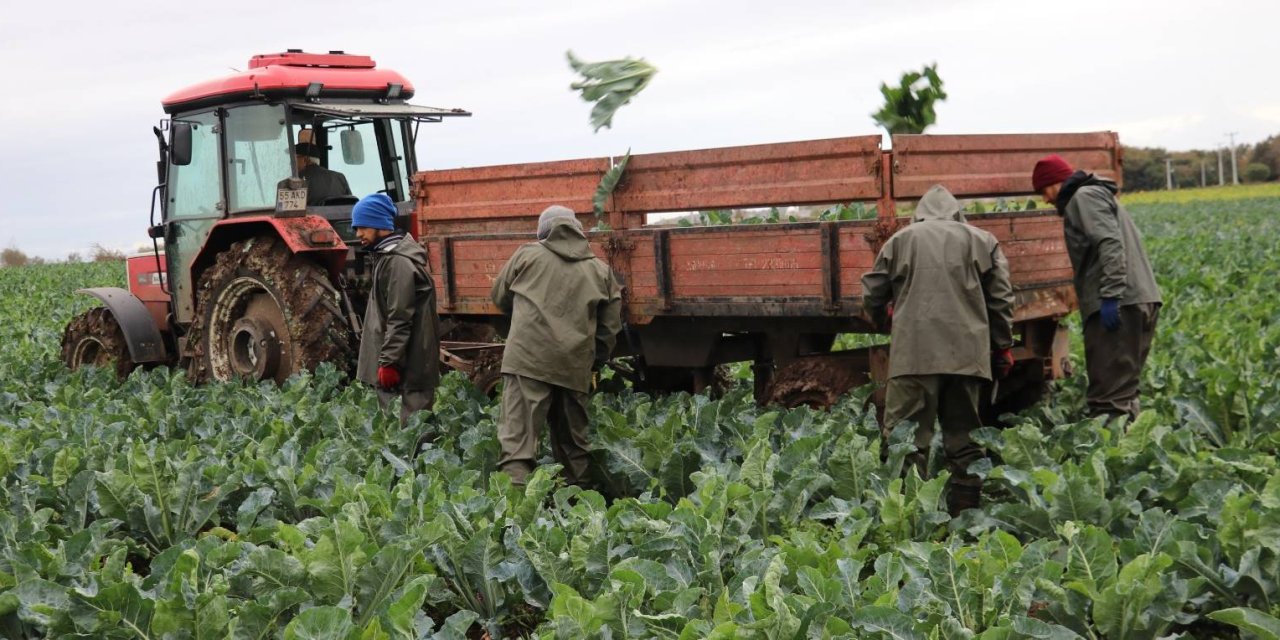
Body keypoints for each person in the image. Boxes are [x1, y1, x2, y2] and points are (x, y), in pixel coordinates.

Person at [861, 184, 1014, 515]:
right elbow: (1001, 300)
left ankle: (913, 520)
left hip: (913, 356)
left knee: (907, 441)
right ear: (958, 214)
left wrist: (883, 319)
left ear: (919, 215)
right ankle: (966, 514)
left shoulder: (900, 241)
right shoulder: (983, 241)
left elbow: (872, 293)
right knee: (965, 440)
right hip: (968, 357)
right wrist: (1002, 347)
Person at [490, 205, 623, 488]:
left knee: (518, 445)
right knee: (574, 448)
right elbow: (610, 329)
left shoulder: (526, 255)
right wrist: (594, 362)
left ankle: (515, 519)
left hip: (526, 362)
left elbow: (499, 297)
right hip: (574, 366)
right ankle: (579, 513)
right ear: (577, 230)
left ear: (543, 232)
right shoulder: (601, 271)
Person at [1031, 155, 1162, 421]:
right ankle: (1132, 451)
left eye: (1044, 189)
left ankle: (1114, 457)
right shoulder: (1099, 195)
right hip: (1140, 301)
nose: (1045, 199)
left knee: (1108, 397)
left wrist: (1111, 296)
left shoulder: (1083, 198)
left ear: (1057, 182)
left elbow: (1110, 243)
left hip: (1120, 304)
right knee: (1125, 389)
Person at [352, 193, 440, 429]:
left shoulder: (398, 262)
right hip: (403, 359)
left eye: (362, 227)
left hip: (409, 362)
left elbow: (400, 317)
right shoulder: (387, 258)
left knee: (411, 433)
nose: (357, 234)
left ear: (379, 225)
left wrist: (389, 363)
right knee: (397, 432)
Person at [294, 128, 352, 206]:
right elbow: (350, 204)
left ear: (305, 160)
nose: (290, 162)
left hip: (313, 218)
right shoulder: (340, 177)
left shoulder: (296, 180)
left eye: (294, 158)